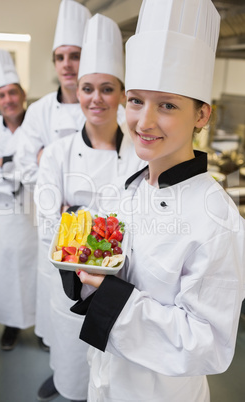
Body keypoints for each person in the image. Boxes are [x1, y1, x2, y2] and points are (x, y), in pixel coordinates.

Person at [63, 0, 245, 401]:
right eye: (135, 100)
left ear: (202, 115)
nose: (143, 122)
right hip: (106, 379)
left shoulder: (216, 219)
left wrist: (110, 300)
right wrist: (82, 265)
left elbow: (208, 344)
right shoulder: (130, 185)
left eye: (167, 105)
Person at [34, 13, 146, 402]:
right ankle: (65, 383)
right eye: (87, 88)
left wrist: (77, 215)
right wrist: (104, 226)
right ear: (77, 92)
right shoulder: (58, 154)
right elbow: (48, 219)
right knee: (69, 350)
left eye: (107, 88)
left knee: (112, 365)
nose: (96, 98)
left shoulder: (140, 152)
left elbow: (143, 219)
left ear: (120, 93)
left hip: (122, 281)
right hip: (70, 280)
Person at [15, 0, 91, 351]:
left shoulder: (106, 109)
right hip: (51, 222)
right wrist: (51, 171)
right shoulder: (40, 111)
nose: (67, 64)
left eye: (74, 55)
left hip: (96, 224)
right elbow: (25, 163)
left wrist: (50, 158)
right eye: (60, 57)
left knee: (90, 300)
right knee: (55, 295)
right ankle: (59, 367)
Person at [0, 48, 38, 351]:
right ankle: (10, 326)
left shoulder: (38, 125)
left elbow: (45, 164)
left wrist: (4, 162)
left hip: (37, 215)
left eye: (12, 92)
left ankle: (43, 328)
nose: (8, 100)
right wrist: (21, 170)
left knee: (38, 271)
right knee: (5, 271)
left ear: (22, 93)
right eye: (1, 95)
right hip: (1, 218)